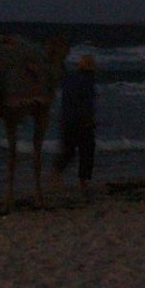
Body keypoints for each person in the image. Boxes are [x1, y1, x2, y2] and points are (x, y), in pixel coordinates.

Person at [50, 54, 97, 197]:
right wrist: (90, 120)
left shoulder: (69, 78)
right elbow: (88, 104)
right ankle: (83, 183)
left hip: (66, 120)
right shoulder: (88, 81)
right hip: (82, 121)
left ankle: (56, 175)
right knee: (87, 151)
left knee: (68, 151)